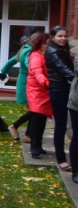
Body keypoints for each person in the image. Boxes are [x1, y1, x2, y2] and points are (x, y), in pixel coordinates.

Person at [45, 26, 75, 170]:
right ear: (53, 37)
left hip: (63, 89)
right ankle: (61, 159)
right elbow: (65, 70)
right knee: (61, 125)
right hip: (58, 90)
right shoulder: (53, 51)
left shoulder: (60, 50)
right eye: (60, 36)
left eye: (65, 36)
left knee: (62, 125)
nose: (63, 39)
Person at [0, 36, 36, 142]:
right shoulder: (29, 51)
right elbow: (28, 63)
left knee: (34, 111)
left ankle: (28, 135)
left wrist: (2, 72)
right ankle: (15, 126)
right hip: (27, 82)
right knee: (35, 111)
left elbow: (10, 61)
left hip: (24, 81)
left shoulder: (24, 49)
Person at [24, 33, 53, 160]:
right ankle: (34, 146)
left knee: (42, 118)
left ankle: (39, 144)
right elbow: (37, 71)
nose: (47, 46)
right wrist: (45, 82)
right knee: (36, 117)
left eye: (48, 43)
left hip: (45, 90)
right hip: (36, 90)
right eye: (44, 43)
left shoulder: (48, 55)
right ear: (39, 44)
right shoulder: (35, 56)